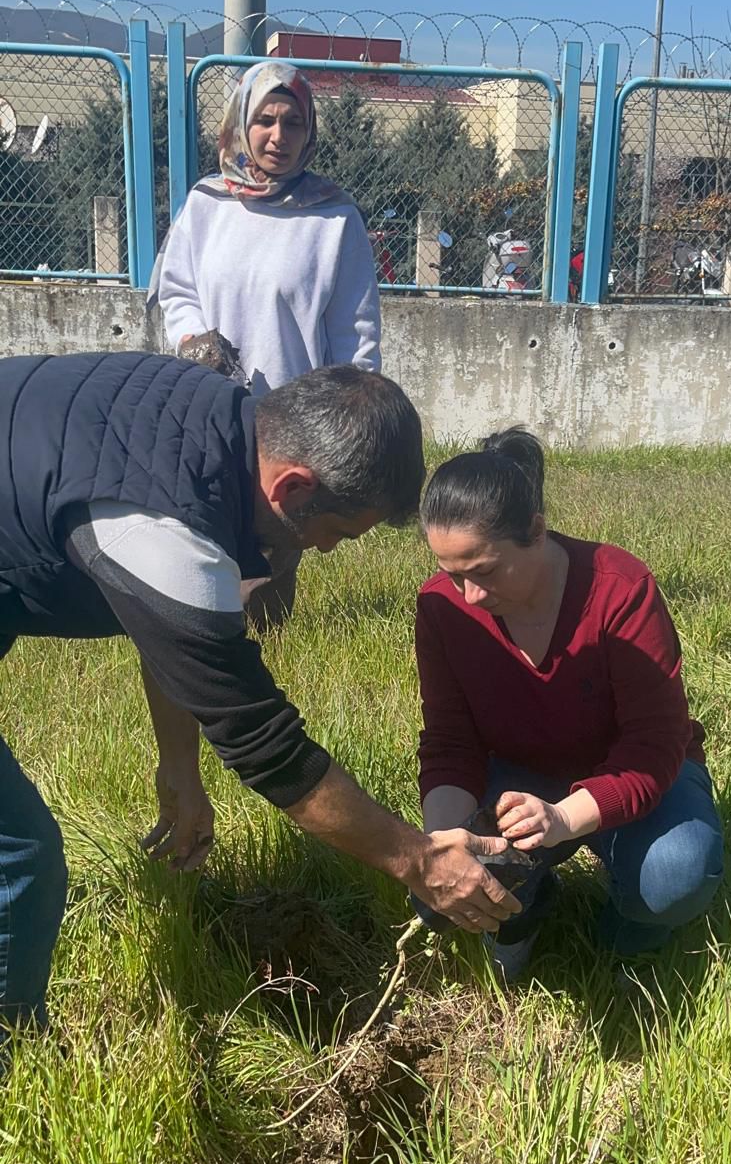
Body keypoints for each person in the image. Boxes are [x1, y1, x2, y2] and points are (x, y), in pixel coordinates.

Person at [0, 353, 518, 1038]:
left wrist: (179, 769)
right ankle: (17, 1059)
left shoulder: (217, 419)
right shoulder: (164, 526)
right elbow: (268, 749)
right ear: (294, 488)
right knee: (20, 857)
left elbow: (171, 626)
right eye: (336, 532)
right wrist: (418, 861)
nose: (328, 551)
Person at [414, 427, 723, 979]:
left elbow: (653, 748)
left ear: (535, 530)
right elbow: (449, 740)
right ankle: (525, 916)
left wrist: (561, 817)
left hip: (634, 772)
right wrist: (444, 840)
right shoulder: (442, 609)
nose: (470, 597)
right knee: (443, 885)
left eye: (483, 571)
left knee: (674, 875)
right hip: (518, 776)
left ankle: (627, 935)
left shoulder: (620, 590)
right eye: (451, 573)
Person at [149, 61, 382, 627]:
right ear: (241, 124)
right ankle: (206, 637)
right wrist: (194, 341)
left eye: (294, 122)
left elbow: (355, 329)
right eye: (266, 120)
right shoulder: (209, 203)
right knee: (205, 526)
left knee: (277, 533)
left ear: (311, 131)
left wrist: (355, 412)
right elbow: (176, 289)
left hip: (292, 413)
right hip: (209, 400)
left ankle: (270, 648)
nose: (279, 137)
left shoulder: (333, 217)